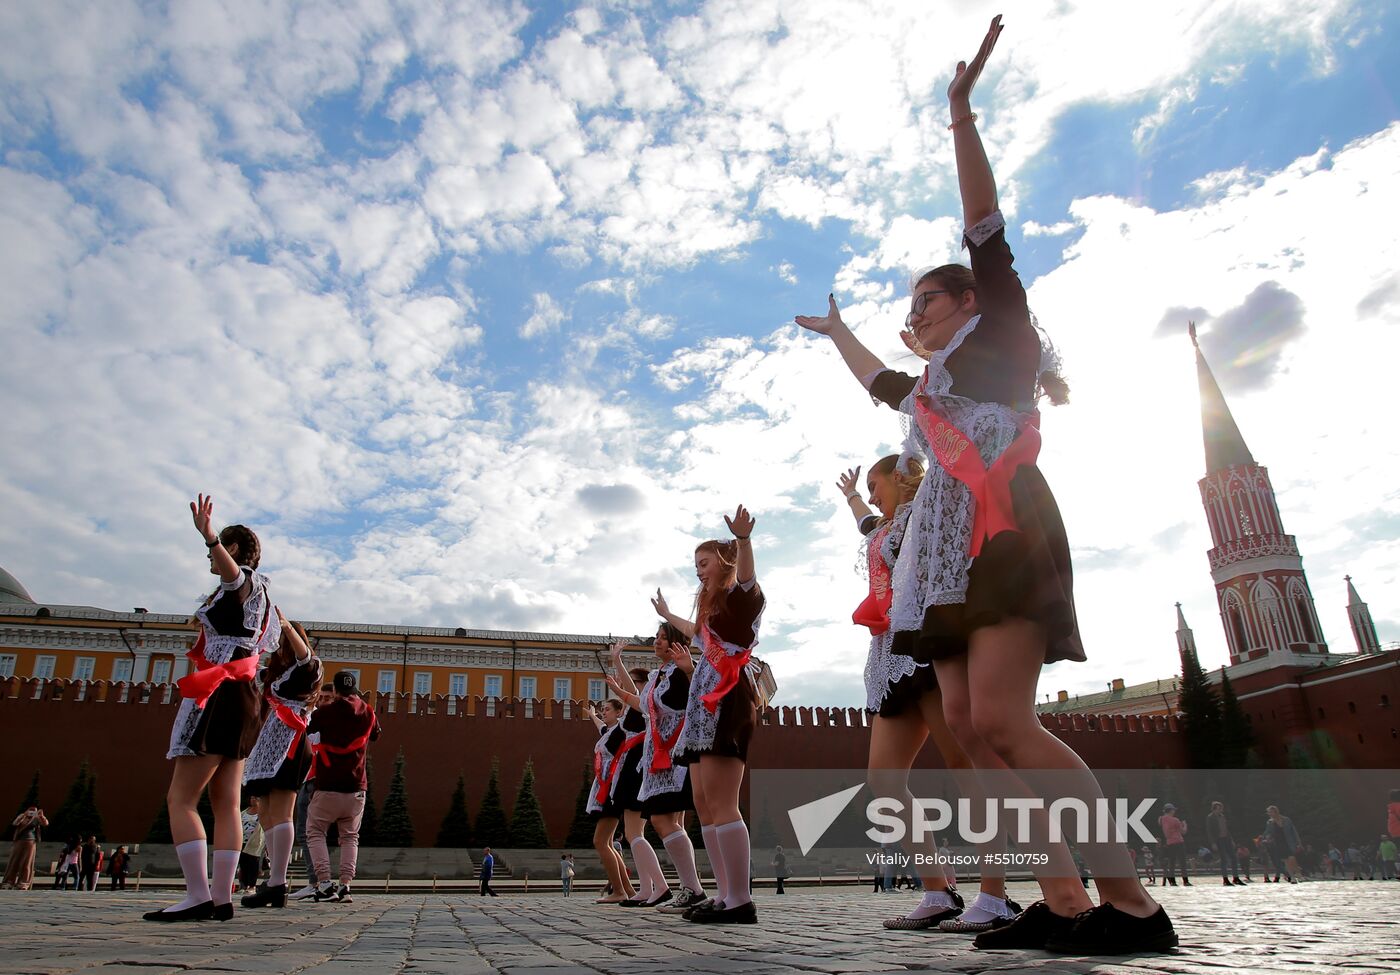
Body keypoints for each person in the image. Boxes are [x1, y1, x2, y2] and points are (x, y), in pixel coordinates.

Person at [793, 17, 1174, 954]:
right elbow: (884, 381)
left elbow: (982, 223)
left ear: (966, 300)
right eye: (909, 309)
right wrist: (840, 332)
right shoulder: (928, 388)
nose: (913, 317)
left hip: (1002, 531)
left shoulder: (1000, 330)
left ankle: (1129, 903)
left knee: (1006, 719)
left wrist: (961, 119)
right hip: (947, 561)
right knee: (973, 725)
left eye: (924, 300)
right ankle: (1064, 903)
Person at [836, 460, 1019, 933]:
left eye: (876, 487)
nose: (873, 498)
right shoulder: (884, 525)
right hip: (891, 657)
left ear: (900, 478)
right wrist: (853, 494)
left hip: (928, 646)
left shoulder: (929, 511)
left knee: (965, 765)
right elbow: (864, 523)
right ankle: (938, 890)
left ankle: (995, 896)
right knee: (884, 779)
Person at [145, 496, 282, 923]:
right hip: (245, 699)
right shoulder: (265, 603)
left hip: (219, 693)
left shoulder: (244, 583)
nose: (213, 557)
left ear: (235, 549)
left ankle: (198, 895)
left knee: (181, 798)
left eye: (222, 546)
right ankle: (221, 897)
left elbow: (232, 575)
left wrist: (208, 536)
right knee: (226, 802)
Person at [658, 505, 765, 925]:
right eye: (695, 565)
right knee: (704, 804)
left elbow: (749, 582)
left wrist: (743, 541)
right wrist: (668, 617)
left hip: (727, 700)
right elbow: (698, 633)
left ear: (723, 563)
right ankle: (723, 895)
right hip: (704, 704)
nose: (698, 571)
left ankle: (740, 899)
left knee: (723, 803)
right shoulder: (713, 610)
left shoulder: (740, 600)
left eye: (703, 563)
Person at [609, 626, 711, 914]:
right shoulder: (659, 677)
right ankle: (690, 888)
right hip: (658, 759)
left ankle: (693, 889)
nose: (657, 642)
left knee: (663, 821)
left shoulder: (681, 672)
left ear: (676, 644)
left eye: (663, 638)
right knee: (666, 822)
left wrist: (689, 671)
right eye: (656, 637)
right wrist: (618, 676)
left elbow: (695, 699)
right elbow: (641, 704)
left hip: (674, 755)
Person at [241, 613, 324, 908]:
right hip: (266, 746)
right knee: (265, 812)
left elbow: (306, 659)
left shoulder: (307, 671)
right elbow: (246, 672)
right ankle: (273, 879)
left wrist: (287, 626)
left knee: (281, 811)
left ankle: (278, 881)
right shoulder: (275, 675)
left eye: (281, 641)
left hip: (290, 744)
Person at [605, 653, 676, 908]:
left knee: (635, 833)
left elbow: (630, 685)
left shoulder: (644, 703)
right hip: (633, 765)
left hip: (636, 768)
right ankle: (646, 888)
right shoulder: (638, 705)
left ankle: (661, 886)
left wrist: (618, 662)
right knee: (635, 833)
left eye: (635, 681)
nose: (629, 686)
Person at [305, 670, 380, 904]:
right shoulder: (368, 712)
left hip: (327, 784)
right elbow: (376, 735)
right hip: (357, 787)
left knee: (315, 832)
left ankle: (325, 883)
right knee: (350, 837)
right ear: (354, 690)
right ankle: (345, 885)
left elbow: (308, 733)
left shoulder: (324, 713)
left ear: (335, 690)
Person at [583, 699, 638, 904]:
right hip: (605, 790)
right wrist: (592, 715)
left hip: (610, 790)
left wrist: (622, 690)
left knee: (600, 841)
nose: (603, 712)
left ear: (619, 712)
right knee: (607, 843)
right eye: (602, 710)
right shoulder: (610, 732)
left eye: (607, 710)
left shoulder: (621, 730)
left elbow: (629, 707)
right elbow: (602, 727)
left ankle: (619, 891)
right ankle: (628, 890)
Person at [291, 683, 336, 901]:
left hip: (320, 782)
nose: (323, 701)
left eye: (329, 698)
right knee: (305, 831)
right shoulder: (312, 720)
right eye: (322, 697)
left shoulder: (332, 722)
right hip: (307, 780)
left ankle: (320, 882)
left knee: (314, 832)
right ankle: (316, 882)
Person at [3, 806, 47, 890]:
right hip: (19, 841)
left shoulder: (37, 818)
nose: (32, 813)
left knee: (27, 863)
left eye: (34, 812)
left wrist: (41, 816)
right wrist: (24, 815)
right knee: (14, 862)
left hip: (31, 842)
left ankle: (23, 883)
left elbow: (45, 823)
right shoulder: (22, 816)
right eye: (31, 811)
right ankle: (8, 882)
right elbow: (15, 823)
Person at [1205, 801, 1243, 886]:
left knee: (1233, 857)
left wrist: (1231, 840)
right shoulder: (1210, 817)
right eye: (1218, 808)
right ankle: (1225, 879)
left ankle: (1235, 878)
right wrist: (1213, 843)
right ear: (1214, 809)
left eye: (1221, 808)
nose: (1220, 810)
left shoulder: (1222, 816)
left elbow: (1226, 828)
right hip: (1219, 840)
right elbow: (1209, 831)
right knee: (1224, 859)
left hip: (1226, 839)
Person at [1264, 805, 1303, 883]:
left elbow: (1293, 832)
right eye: (1269, 813)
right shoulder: (1270, 822)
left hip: (1289, 842)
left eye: (1270, 812)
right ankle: (1292, 877)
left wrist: (1298, 843)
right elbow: (1268, 833)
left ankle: (1298, 872)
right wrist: (1267, 839)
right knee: (1286, 861)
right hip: (1278, 843)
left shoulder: (1286, 820)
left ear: (1275, 811)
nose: (1269, 814)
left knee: (1292, 858)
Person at [1157, 804, 1190, 886]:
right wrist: (1184, 825)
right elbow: (1183, 832)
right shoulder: (1175, 820)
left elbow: (1160, 823)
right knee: (1182, 863)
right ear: (1171, 810)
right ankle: (1185, 881)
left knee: (1172, 863)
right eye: (1174, 810)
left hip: (1169, 843)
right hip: (1178, 841)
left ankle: (1172, 882)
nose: (1174, 811)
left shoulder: (1161, 819)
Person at [238, 797, 265, 892]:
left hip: (255, 840)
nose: (253, 800)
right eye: (252, 798)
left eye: (255, 798)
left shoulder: (262, 812)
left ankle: (252, 885)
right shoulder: (244, 812)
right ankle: (243, 885)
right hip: (242, 840)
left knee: (253, 863)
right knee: (243, 863)